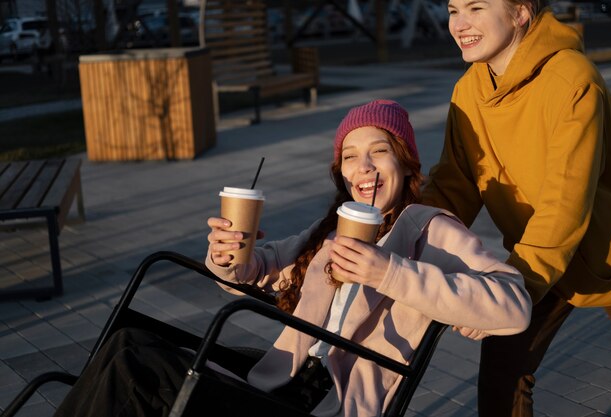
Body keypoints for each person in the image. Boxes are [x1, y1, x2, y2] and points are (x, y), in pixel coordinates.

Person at [53, 100, 532, 417]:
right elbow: (260, 268)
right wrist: (229, 259)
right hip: (280, 376)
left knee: (133, 367)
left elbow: (513, 305)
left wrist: (388, 271)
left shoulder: (429, 227)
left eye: (378, 152)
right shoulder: (331, 227)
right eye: (349, 156)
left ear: (406, 163)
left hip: (324, 401)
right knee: (126, 342)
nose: (362, 166)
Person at [421, 0, 611, 416]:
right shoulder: (469, 89)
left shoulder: (572, 79)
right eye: (453, 10)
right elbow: (454, 185)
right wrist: (396, 237)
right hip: (540, 258)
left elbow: (565, 203)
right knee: (503, 371)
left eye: (476, 8)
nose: (460, 24)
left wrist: (511, 290)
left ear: (520, 13)